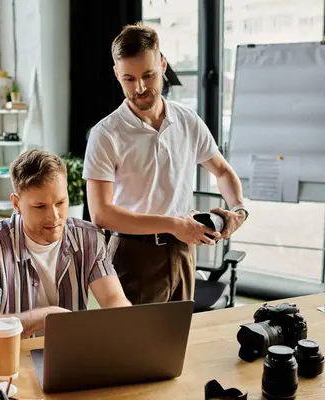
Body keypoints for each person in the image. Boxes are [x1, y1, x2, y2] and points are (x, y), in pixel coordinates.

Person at [83, 23, 248, 305]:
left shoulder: (187, 120)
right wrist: (173, 224)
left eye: (148, 75)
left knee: (178, 340)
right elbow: (101, 214)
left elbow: (221, 170)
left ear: (162, 64)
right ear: (116, 75)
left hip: (184, 251)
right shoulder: (106, 134)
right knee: (132, 345)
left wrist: (238, 209)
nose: (141, 87)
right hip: (133, 254)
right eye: (129, 79)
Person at [0, 149, 131, 346]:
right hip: (14, 356)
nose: (54, 216)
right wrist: (46, 316)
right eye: (40, 207)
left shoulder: (89, 238)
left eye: (61, 202)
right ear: (16, 204)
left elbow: (114, 300)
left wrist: (123, 320)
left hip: (71, 354)